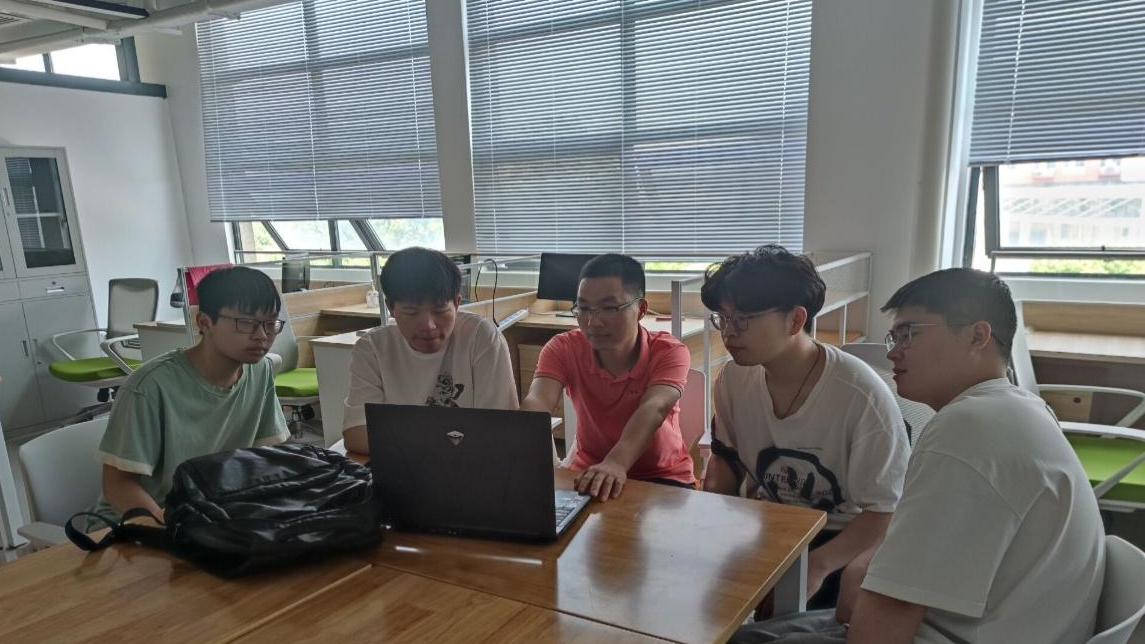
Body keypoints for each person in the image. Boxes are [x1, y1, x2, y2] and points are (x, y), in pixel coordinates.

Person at [708, 268, 1105, 644]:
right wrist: (864, 579)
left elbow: (890, 605)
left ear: (978, 336)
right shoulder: (1015, 410)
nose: (894, 351)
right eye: (894, 335)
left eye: (911, 333)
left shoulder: (970, 432)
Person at [700, 246, 910, 608]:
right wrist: (713, 520)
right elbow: (726, 458)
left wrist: (816, 567)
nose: (729, 333)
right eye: (723, 318)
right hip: (769, 527)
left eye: (743, 320)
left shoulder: (860, 395)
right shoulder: (733, 379)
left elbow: (885, 511)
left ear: (795, 320)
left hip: (841, 540)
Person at [96, 265, 290, 520]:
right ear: (204, 322)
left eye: (270, 323)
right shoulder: (149, 386)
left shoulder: (260, 370)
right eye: (246, 323)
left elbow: (268, 453)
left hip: (214, 512)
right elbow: (118, 485)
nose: (262, 335)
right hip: (140, 521)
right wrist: (167, 526)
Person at [522, 253, 694, 501]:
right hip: (589, 472)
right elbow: (538, 401)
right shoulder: (563, 348)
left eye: (610, 308)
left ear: (641, 309)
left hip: (663, 477)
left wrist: (615, 463)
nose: (593, 322)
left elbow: (654, 408)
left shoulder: (669, 351)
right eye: (583, 308)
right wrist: (517, 446)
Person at [343, 247, 518, 454]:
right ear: (391, 308)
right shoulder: (373, 348)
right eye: (411, 312)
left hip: (470, 464)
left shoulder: (481, 337)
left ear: (457, 304)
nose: (428, 326)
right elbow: (356, 433)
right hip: (407, 467)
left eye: (440, 310)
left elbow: (501, 428)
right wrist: (441, 444)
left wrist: (403, 440)